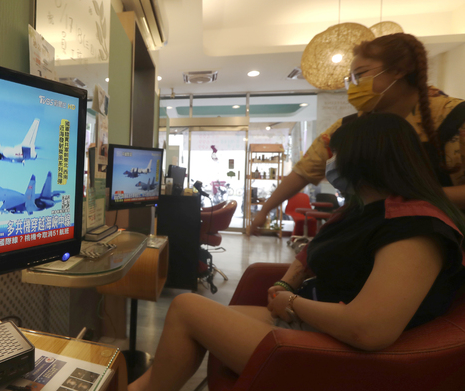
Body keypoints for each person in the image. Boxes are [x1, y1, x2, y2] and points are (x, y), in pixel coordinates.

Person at [128, 113, 465, 391]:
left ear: (363, 157)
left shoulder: (415, 228)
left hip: (344, 355)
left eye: (336, 154)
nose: (330, 163)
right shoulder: (364, 210)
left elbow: (368, 329)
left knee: (187, 307)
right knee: (195, 316)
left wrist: (292, 303)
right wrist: (287, 284)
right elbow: (313, 252)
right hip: (321, 328)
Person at [250, 33, 465, 235]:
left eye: (360, 75)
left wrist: (408, 200)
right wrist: (264, 210)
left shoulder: (455, 117)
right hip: (370, 236)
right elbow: (303, 172)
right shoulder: (348, 127)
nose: (353, 86)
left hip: (445, 240)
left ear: (399, 70)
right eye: (351, 79)